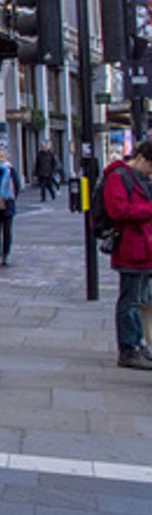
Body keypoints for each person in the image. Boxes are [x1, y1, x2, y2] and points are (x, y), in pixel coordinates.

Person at [100, 142, 152, 370]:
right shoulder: (118, 177)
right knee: (130, 300)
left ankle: (138, 344)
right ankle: (128, 348)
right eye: (151, 166)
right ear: (141, 159)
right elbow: (118, 210)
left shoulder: (140, 179)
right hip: (132, 248)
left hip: (145, 247)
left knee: (141, 300)